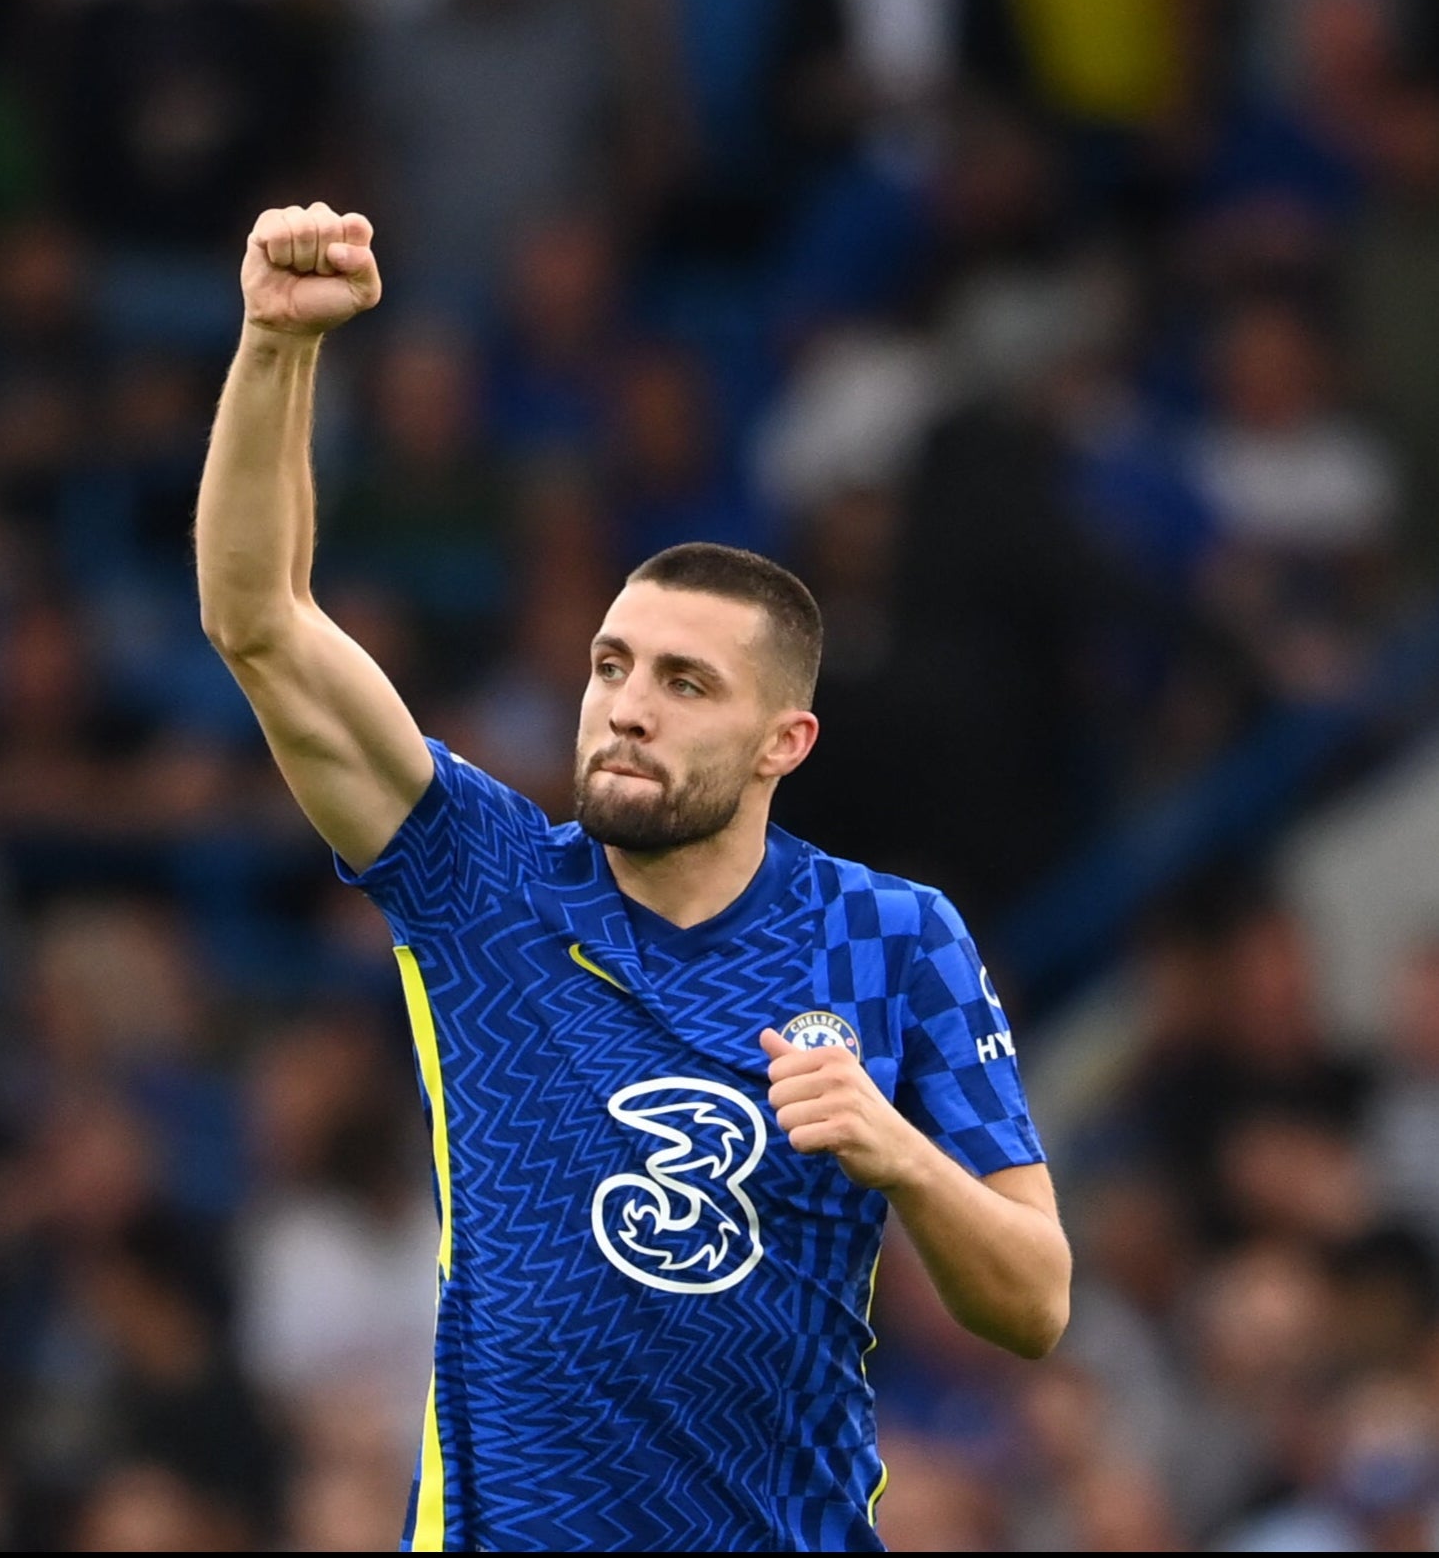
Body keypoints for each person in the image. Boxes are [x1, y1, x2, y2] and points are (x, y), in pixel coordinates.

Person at [195, 202, 1071, 1552]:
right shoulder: (480, 881)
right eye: (610, 667)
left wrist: (893, 1149)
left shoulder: (889, 939)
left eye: (683, 681)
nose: (625, 708)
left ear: (787, 740)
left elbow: (1033, 1299)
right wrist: (273, 349)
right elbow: (259, 621)